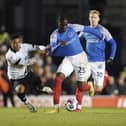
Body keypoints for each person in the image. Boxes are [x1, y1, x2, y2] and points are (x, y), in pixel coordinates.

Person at [46, 16, 105, 113]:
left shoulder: (73, 27)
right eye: (62, 25)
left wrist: (99, 35)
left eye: (66, 24)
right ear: (58, 24)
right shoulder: (54, 35)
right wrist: (57, 45)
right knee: (58, 78)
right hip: (68, 58)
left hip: (80, 59)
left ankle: (89, 87)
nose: (65, 26)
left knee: (81, 86)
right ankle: (56, 107)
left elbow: (87, 29)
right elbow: (52, 50)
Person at [5, 35, 45, 112]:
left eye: (18, 42)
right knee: (20, 90)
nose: (17, 44)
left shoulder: (24, 46)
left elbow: (36, 47)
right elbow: (21, 63)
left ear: (20, 42)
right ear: (11, 43)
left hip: (25, 74)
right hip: (15, 78)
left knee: (37, 77)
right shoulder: (9, 55)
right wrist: (34, 60)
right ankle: (27, 103)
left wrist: (45, 48)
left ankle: (40, 88)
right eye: (14, 43)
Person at [81, 10, 117, 94]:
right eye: (91, 17)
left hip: (99, 62)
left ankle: (90, 86)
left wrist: (111, 57)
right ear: (89, 18)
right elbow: (77, 39)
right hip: (87, 61)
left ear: (98, 19)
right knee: (81, 83)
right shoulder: (85, 30)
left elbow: (113, 43)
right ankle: (78, 103)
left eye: (95, 17)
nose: (93, 19)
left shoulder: (102, 30)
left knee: (99, 88)